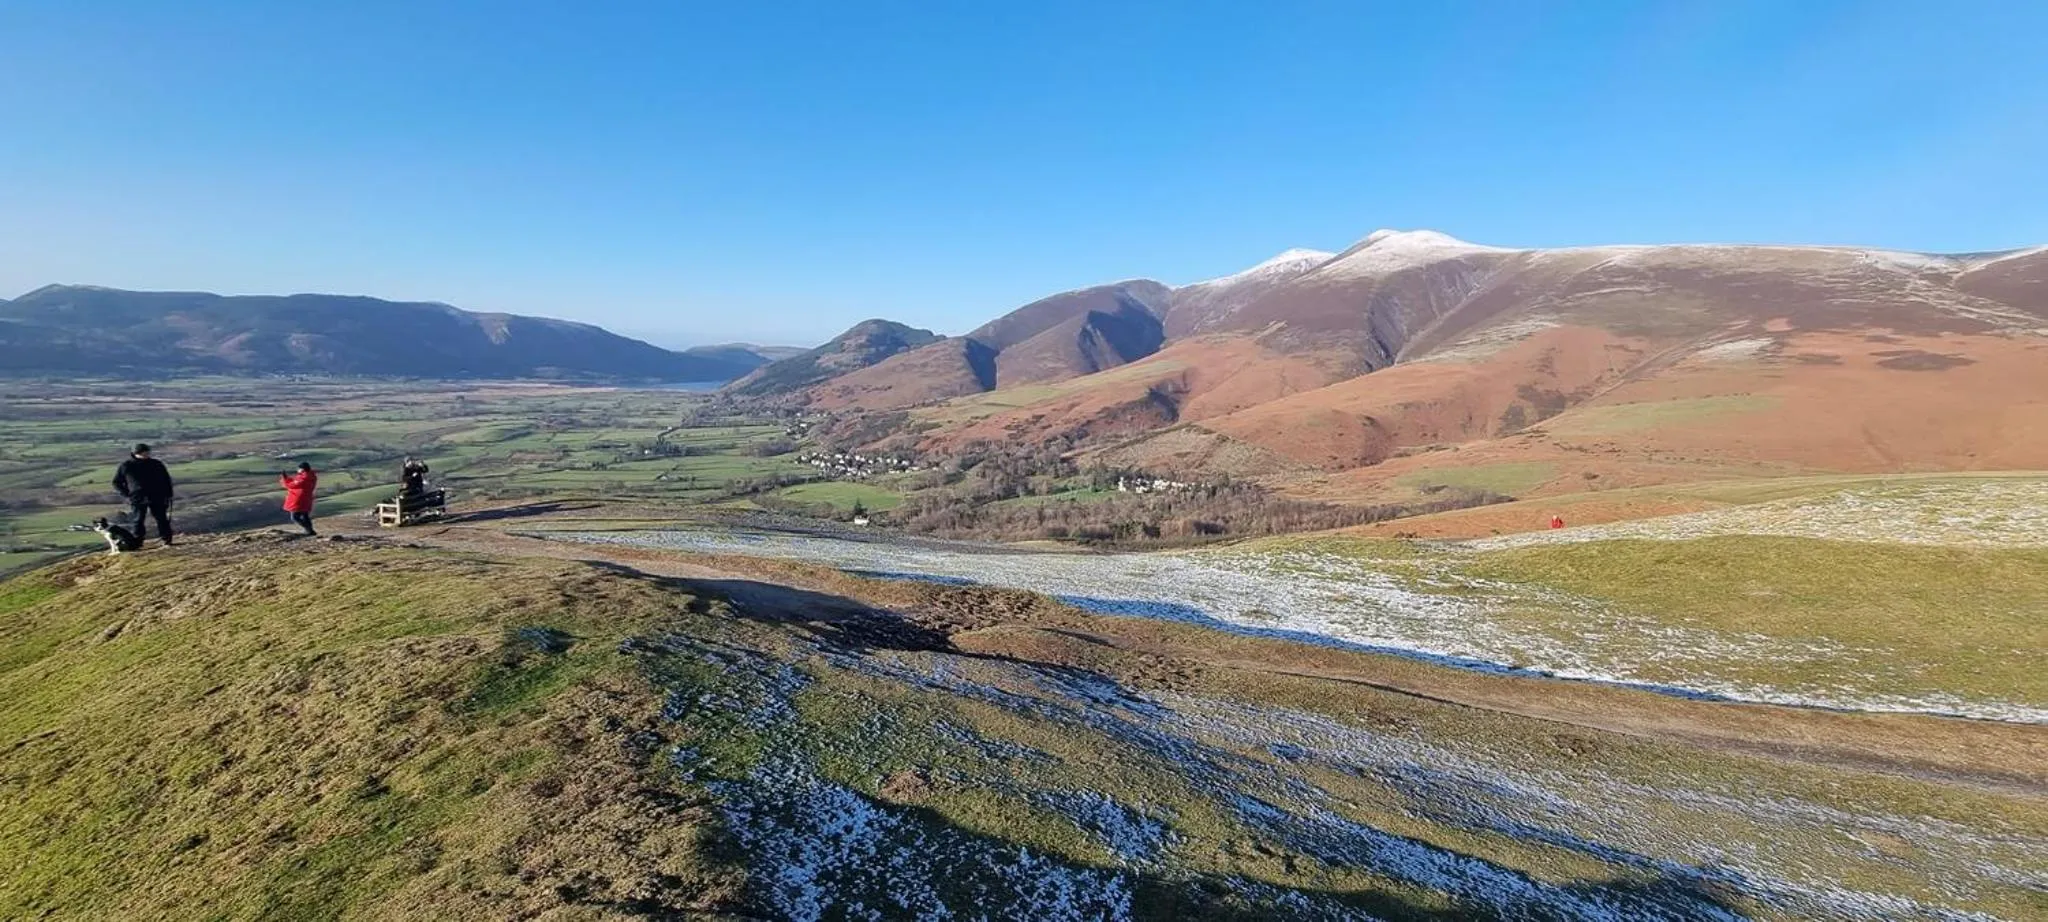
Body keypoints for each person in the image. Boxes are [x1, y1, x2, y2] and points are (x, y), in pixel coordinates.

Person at [112, 443, 175, 546]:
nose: (145, 454)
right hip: (137, 497)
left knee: (161, 518)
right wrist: (127, 495)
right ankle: (137, 542)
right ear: (135, 453)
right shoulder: (126, 466)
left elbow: (166, 480)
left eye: (146, 452)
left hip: (157, 495)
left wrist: (168, 494)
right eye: (142, 452)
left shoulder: (156, 464)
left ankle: (167, 539)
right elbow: (116, 482)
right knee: (138, 520)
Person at [280, 462, 319, 536]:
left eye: (299, 468)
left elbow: (290, 485)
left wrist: (284, 478)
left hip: (299, 499)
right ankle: (310, 531)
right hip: (306, 498)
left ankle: (309, 530)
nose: (297, 470)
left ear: (302, 469)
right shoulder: (310, 476)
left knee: (295, 517)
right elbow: (295, 482)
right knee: (305, 515)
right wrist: (288, 478)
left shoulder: (303, 478)